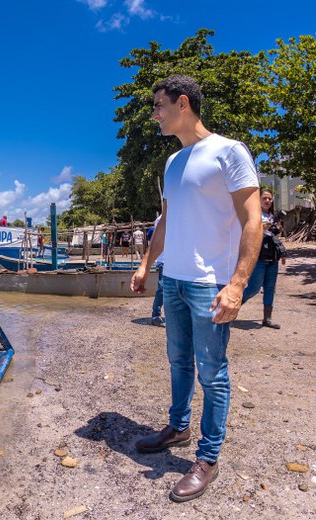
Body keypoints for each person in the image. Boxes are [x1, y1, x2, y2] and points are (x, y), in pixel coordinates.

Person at [130, 75, 261, 503]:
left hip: (211, 284)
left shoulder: (228, 151)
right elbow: (166, 221)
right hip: (174, 279)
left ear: (182, 103)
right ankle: (178, 427)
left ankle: (207, 458)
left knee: (213, 372)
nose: (155, 113)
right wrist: (148, 263)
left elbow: (252, 220)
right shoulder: (173, 162)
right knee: (178, 362)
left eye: (159, 105)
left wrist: (237, 283)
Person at [241, 189, 287, 328]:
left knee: (270, 288)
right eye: (264, 198)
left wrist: (282, 252)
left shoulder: (273, 217)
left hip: (272, 258)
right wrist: (260, 227)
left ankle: (267, 319)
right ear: (258, 200)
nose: (267, 201)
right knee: (254, 288)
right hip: (258, 257)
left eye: (270, 199)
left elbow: (275, 238)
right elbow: (246, 233)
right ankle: (230, 307)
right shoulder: (253, 216)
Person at [148, 216, 165, 326]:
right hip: (164, 259)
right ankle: (156, 315)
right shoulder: (161, 219)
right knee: (162, 288)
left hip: (176, 260)